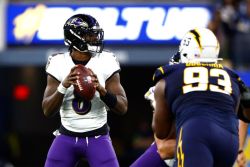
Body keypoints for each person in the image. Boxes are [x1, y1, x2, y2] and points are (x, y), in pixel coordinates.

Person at [152, 27, 250, 167]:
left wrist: (157, 107)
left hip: (196, 133)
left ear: (186, 53)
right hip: (229, 142)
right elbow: (246, 115)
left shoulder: (169, 77)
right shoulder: (232, 76)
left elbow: (161, 133)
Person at [42, 14, 128, 167]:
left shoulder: (106, 60)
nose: (95, 38)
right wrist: (63, 86)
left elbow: (123, 107)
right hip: (66, 136)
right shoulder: (58, 62)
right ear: (75, 37)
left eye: (95, 34)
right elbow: (47, 110)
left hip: (98, 137)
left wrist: (102, 91)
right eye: (90, 35)